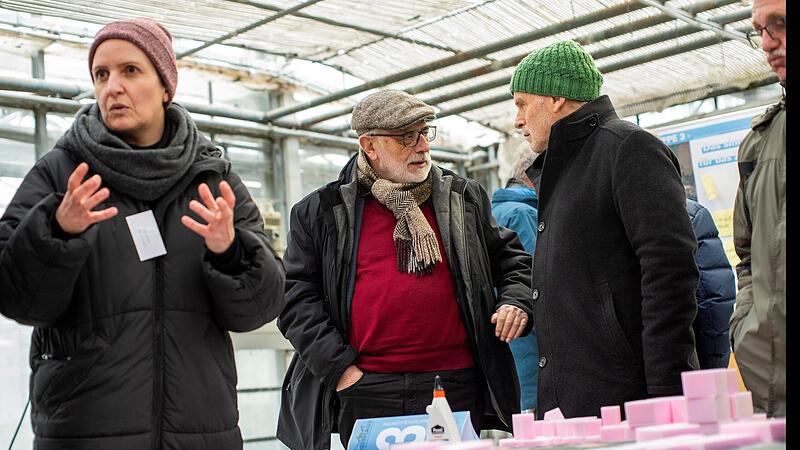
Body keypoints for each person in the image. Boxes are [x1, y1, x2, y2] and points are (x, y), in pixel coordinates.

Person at [0, 18, 285, 448]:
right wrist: (57, 230)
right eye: (101, 74)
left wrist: (230, 252)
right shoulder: (62, 173)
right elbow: (17, 298)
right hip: (85, 432)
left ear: (166, 86)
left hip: (199, 432)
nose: (112, 87)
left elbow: (260, 308)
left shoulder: (211, 179)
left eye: (130, 70)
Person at [276, 89, 533, 449]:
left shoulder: (462, 198)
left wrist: (516, 301)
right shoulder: (321, 211)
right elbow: (295, 299)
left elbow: (513, 260)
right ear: (369, 145)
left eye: (425, 133)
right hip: (369, 388)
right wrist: (341, 371)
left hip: (454, 385)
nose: (423, 146)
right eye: (406, 137)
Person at [510, 40, 699, 419]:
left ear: (556, 99)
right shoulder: (560, 168)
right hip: (574, 402)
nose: (517, 120)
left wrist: (667, 394)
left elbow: (669, 272)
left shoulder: (629, 148)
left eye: (522, 104)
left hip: (627, 397)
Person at [730, 0, 785, 417]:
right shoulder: (758, 143)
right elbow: (747, 257)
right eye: (760, 30)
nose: (767, 43)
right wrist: (746, 328)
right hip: (773, 380)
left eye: (780, 23)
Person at [491, 144, 540, 413]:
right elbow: (540, 283)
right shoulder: (524, 214)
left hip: (511, 353)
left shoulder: (496, 211)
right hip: (533, 356)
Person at [685, 199, 735, 369]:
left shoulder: (692, 215)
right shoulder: (691, 214)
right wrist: (713, 369)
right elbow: (715, 302)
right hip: (686, 360)